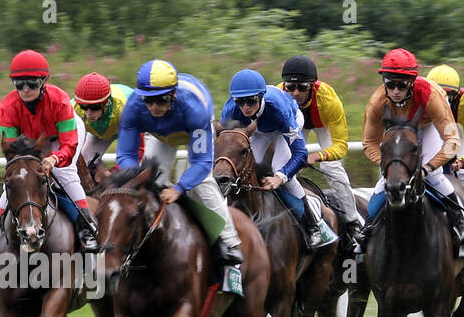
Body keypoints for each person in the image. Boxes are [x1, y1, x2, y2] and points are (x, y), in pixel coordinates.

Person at [115, 59, 244, 284]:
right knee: (148, 184)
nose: (154, 107)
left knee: (201, 184)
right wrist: (137, 179)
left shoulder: (195, 108)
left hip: (190, 129)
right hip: (160, 136)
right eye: (148, 100)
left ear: (173, 95)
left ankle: (231, 245)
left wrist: (180, 188)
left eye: (161, 100)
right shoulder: (134, 107)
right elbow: (125, 156)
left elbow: (202, 163)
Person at [361, 47, 464, 254]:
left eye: (402, 85)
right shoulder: (377, 102)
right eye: (390, 84)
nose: (396, 91)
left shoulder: (431, 95)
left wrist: (427, 168)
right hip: (397, 131)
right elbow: (369, 143)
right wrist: (389, 165)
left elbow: (452, 141)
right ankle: (366, 228)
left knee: (435, 177)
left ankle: (461, 226)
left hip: (427, 125)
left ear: (412, 83)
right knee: (386, 180)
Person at [0, 50, 98, 252]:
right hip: (29, 141)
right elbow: (13, 149)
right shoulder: (7, 107)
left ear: (43, 81)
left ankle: (87, 228)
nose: (25, 89)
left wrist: (54, 159)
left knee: (63, 172)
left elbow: (68, 144)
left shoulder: (59, 100)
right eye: (19, 84)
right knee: (18, 178)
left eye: (32, 83)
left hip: (61, 136)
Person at [219, 68, 327, 249]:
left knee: (279, 167)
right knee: (245, 166)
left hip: (285, 125)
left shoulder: (279, 110)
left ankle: (312, 225)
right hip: (258, 129)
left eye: (251, 101)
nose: (245, 107)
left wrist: (279, 177)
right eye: (240, 101)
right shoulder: (230, 110)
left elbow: (300, 155)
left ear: (261, 97)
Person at [277, 55, 364, 240]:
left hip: (322, 122)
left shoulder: (329, 101)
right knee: (285, 166)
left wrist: (317, 156)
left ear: (313, 85)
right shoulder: (278, 95)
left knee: (330, 166)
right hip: (294, 124)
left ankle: (352, 221)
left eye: (302, 87)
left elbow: (341, 146)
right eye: (290, 87)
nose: (295, 93)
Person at [73, 71, 133, 184]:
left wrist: (113, 174)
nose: (88, 113)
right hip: (102, 132)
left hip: (132, 127)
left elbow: (134, 152)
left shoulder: (126, 108)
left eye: (94, 107)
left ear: (106, 103)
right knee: (83, 169)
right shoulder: (73, 108)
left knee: (134, 176)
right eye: (83, 107)